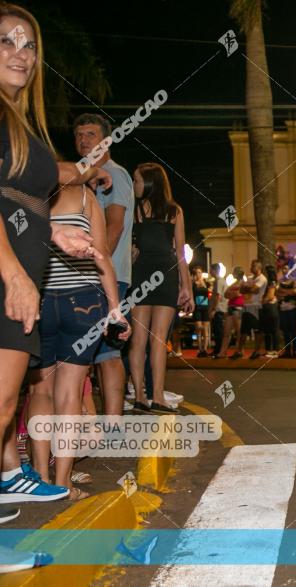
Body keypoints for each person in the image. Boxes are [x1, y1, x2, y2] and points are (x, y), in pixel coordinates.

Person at [0, 4, 116, 561]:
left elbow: (18, 203)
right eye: (6, 41)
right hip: (12, 283)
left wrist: (54, 240)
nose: (20, 54)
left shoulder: (16, 121)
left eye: (28, 44)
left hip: (27, 275)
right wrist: (15, 274)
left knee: (5, 409)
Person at [27, 182, 131, 499]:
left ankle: (41, 478)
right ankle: (63, 482)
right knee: (70, 395)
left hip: (38, 299)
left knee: (39, 391)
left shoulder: (27, 193)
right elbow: (103, 258)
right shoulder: (85, 196)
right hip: (83, 301)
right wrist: (116, 309)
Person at [73, 113, 134, 417]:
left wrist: (98, 269)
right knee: (90, 354)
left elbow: (115, 226)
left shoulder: (113, 173)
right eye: (79, 135)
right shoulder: (83, 175)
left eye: (91, 134)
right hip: (92, 275)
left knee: (108, 352)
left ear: (106, 140)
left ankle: (113, 424)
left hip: (107, 277)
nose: (84, 140)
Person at [128, 163, 193, 413]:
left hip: (142, 273)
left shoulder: (135, 211)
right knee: (156, 340)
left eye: (137, 181)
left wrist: (185, 287)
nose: (134, 185)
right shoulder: (174, 211)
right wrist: (185, 287)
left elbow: (180, 252)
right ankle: (155, 396)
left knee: (140, 340)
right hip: (164, 274)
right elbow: (180, 255)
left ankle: (141, 397)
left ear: (150, 182)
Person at [238, 260, 267, 360]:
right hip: (246, 307)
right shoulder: (250, 278)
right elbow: (241, 290)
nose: (251, 267)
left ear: (259, 268)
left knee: (257, 330)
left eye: (253, 266)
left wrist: (247, 288)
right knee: (243, 330)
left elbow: (255, 290)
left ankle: (257, 350)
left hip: (256, 307)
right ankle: (239, 350)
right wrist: (248, 288)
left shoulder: (262, 279)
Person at [217, 266, 245, 359]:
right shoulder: (234, 284)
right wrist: (232, 294)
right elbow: (226, 294)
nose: (233, 274)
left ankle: (239, 350)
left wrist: (231, 294)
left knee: (239, 332)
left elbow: (237, 294)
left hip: (238, 308)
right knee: (227, 331)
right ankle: (222, 351)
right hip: (231, 307)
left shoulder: (243, 284)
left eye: (234, 272)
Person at [259, 268, 281, 359]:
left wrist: (263, 301)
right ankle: (269, 350)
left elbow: (270, 296)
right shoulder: (272, 282)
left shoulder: (272, 282)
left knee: (273, 330)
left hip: (270, 308)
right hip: (269, 308)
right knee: (269, 330)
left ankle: (274, 350)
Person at [208, 263, 227, 357]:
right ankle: (217, 349)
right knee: (217, 330)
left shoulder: (219, 281)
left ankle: (218, 350)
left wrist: (213, 310)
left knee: (218, 330)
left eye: (210, 270)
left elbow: (217, 296)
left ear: (215, 270)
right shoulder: (219, 281)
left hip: (219, 309)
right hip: (220, 309)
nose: (209, 272)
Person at [277, 273, 296, 358]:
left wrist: (283, 291)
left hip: (292, 309)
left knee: (293, 330)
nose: (285, 271)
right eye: (283, 269)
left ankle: (295, 350)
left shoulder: (294, 280)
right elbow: (277, 293)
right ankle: (287, 351)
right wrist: (287, 292)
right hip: (283, 309)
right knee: (285, 330)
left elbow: (294, 292)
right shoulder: (280, 281)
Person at [191, 266, 210, 357]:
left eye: (200, 272)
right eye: (197, 272)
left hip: (205, 307)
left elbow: (209, 293)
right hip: (197, 307)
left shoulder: (206, 282)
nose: (199, 274)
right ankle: (199, 349)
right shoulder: (193, 283)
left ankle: (205, 349)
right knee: (199, 328)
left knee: (205, 329)